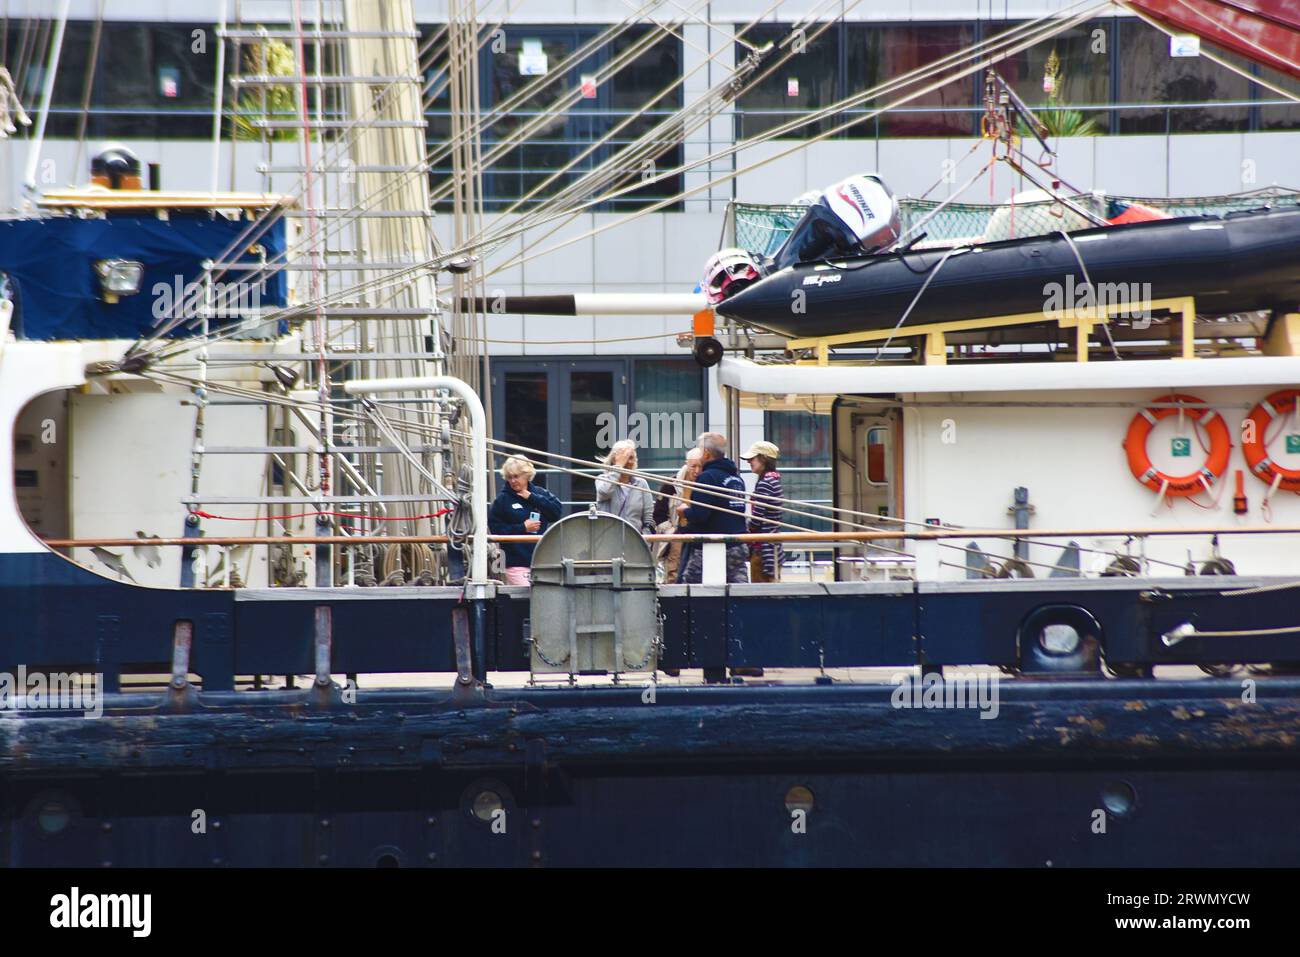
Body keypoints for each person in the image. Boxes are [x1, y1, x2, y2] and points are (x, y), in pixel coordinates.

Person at [677, 432, 749, 584]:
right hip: (737, 545)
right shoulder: (737, 479)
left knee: (689, 589)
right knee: (740, 591)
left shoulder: (707, 478)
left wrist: (684, 511)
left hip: (710, 547)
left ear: (706, 453)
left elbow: (700, 515)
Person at [488, 455, 563, 586]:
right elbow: (496, 530)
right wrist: (522, 528)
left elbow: (556, 513)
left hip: (541, 561)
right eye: (509, 477)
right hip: (515, 563)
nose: (512, 481)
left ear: (527, 475)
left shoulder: (540, 494)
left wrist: (532, 498)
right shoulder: (502, 500)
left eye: (516, 476)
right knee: (531, 595)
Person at [654, 447, 702, 583]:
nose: (697, 471)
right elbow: (658, 514)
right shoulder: (671, 484)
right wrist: (672, 532)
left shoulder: (706, 483)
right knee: (673, 573)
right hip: (677, 534)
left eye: (700, 466)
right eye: (693, 466)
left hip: (698, 533)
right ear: (686, 464)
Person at [742, 441, 784, 583]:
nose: (749, 462)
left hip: (763, 549)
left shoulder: (765, 483)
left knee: (760, 589)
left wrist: (747, 530)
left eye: (752, 458)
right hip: (772, 547)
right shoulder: (774, 480)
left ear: (763, 459)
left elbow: (757, 519)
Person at [595, 440, 656, 534]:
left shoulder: (641, 484)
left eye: (631, 457)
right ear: (615, 459)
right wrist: (618, 466)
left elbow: (648, 518)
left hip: (635, 542)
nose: (629, 461)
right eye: (625, 457)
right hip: (607, 542)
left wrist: (644, 542)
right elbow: (605, 492)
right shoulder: (602, 480)